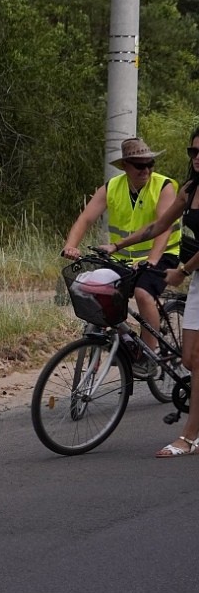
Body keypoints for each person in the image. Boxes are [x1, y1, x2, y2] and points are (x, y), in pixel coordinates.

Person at [101, 126, 199, 457]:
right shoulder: (189, 189)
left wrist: (181, 270)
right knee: (190, 359)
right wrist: (118, 244)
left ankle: (188, 437)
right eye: (193, 152)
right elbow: (157, 226)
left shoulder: (171, 187)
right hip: (197, 279)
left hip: (188, 270)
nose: (197, 158)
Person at [62, 136, 179, 377]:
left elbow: (163, 227)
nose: (146, 170)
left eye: (149, 164)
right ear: (125, 166)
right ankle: (121, 342)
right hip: (124, 259)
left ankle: (149, 357)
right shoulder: (111, 187)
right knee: (96, 291)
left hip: (163, 255)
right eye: (139, 165)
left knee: (143, 293)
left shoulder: (165, 186)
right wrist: (71, 246)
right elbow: (85, 219)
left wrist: (153, 259)